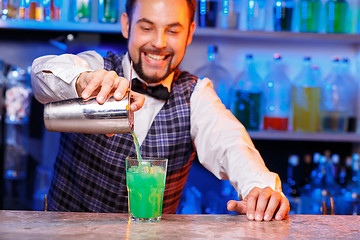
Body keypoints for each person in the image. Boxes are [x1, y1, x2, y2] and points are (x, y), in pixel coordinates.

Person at [31, 0, 290, 221]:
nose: (159, 42)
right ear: (126, 25)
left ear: (190, 33)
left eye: (173, 31)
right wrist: (80, 81)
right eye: (146, 27)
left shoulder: (196, 96)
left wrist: (260, 188)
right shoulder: (96, 67)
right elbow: (42, 74)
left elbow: (231, 144)